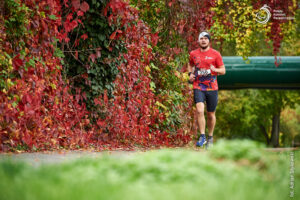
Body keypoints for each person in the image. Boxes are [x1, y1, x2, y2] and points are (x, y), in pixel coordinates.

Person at [188, 31, 226, 148]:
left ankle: (210, 137)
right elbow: (190, 64)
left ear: (209, 41)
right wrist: (190, 74)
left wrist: (215, 69)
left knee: (210, 114)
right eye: (201, 38)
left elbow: (223, 71)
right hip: (198, 86)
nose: (203, 40)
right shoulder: (193, 53)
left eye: (205, 38)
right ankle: (202, 136)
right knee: (199, 110)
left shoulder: (216, 54)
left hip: (212, 88)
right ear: (198, 41)